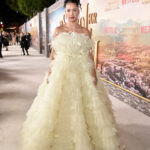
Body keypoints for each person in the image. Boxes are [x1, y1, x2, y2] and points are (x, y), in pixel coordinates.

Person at [22, 0, 122, 150]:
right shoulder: (58, 30)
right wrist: (50, 72)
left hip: (83, 72)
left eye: (74, 10)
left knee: (86, 105)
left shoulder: (85, 31)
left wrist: (93, 73)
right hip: (61, 71)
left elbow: (89, 54)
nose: (71, 14)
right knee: (56, 104)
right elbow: (54, 53)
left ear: (79, 11)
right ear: (65, 12)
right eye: (68, 10)